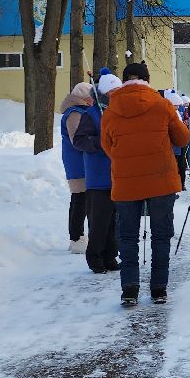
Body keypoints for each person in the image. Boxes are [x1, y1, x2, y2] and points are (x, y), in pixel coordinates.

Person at [101, 61, 190, 307]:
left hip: (126, 182)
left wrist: (124, 160)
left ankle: (129, 289)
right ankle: (159, 289)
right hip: (161, 180)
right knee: (161, 236)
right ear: (147, 80)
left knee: (128, 237)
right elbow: (182, 138)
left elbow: (107, 145)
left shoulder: (111, 110)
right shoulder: (162, 105)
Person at [72, 68, 121, 274]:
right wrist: (102, 143)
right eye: (113, 92)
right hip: (98, 176)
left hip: (117, 175)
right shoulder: (92, 114)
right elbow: (79, 140)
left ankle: (110, 255)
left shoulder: (119, 112)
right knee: (99, 221)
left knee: (113, 222)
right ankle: (95, 257)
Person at [58, 82, 94, 252]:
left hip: (80, 161)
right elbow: (77, 140)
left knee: (80, 199)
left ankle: (77, 237)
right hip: (78, 162)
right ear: (84, 98)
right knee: (80, 200)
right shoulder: (75, 113)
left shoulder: (78, 111)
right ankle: (76, 238)